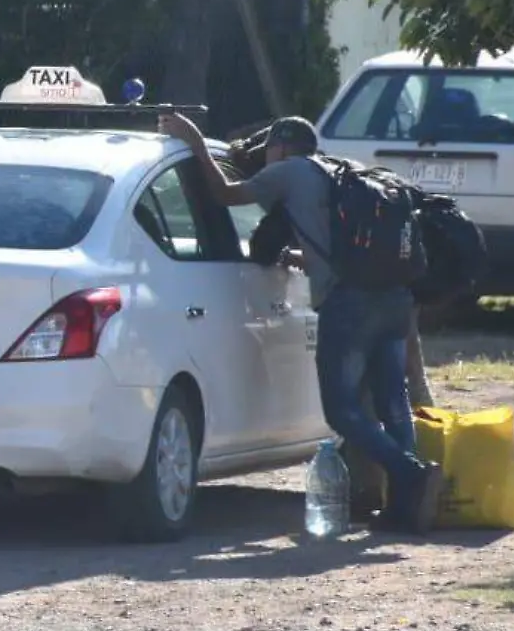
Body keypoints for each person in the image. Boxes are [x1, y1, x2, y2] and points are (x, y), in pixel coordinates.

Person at [158, 111, 445, 534]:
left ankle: (410, 474)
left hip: (349, 305)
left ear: (280, 147)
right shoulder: (342, 171)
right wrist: (297, 258)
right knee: (391, 400)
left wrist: (196, 142)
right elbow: (339, 246)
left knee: (342, 410)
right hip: (394, 299)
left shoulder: (289, 172)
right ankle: (406, 507)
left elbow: (223, 194)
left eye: (270, 149)